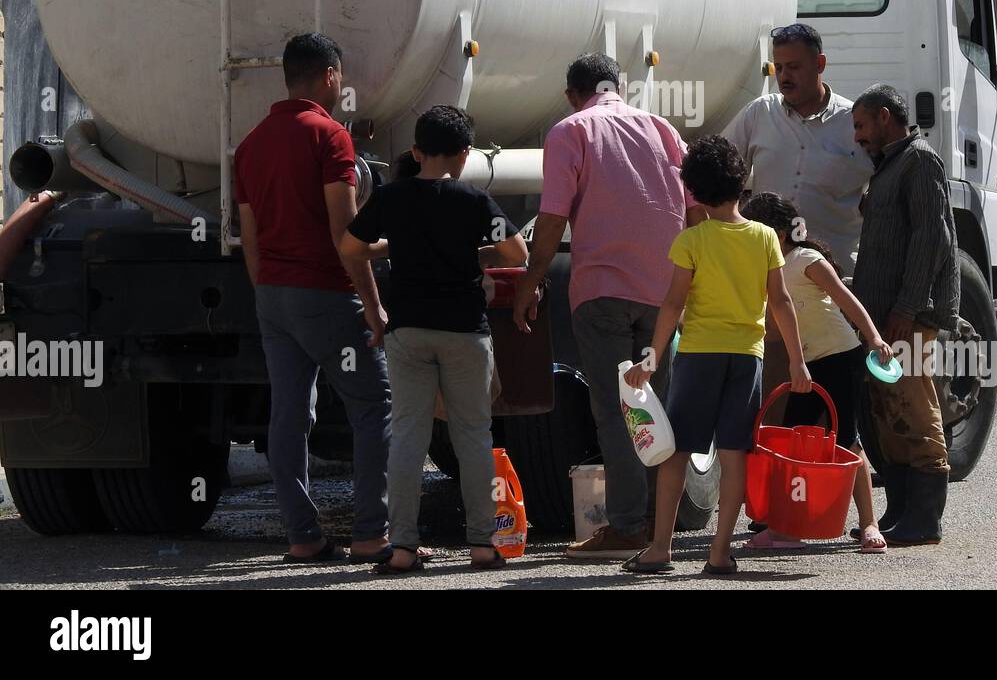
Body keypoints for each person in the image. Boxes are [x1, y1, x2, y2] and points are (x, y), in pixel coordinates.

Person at [512, 53, 704, 561]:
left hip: (602, 293)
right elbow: (695, 206)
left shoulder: (569, 131)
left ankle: (626, 525)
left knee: (619, 413)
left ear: (573, 93)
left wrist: (530, 283)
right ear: (617, 86)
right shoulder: (663, 129)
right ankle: (656, 526)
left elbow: (551, 220)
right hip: (663, 295)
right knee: (654, 412)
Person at [340, 105, 526, 573]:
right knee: (472, 437)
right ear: (465, 155)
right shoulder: (475, 200)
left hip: (408, 330)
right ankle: (483, 546)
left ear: (417, 151)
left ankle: (402, 548)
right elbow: (516, 251)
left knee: (407, 435)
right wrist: (474, 248)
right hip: (465, 331)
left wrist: (390, 246)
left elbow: (349, 246)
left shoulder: (392, 198)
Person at [234, 32, 391, 564]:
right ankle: (371, 533)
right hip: (325, 293)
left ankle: (303, 536)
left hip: (273, 296)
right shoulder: (330, 138)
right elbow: (346, 233)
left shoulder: (251, 144)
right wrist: (372, 304)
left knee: (290, 415)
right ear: (329, 75)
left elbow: (249, 240)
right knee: (375, 404)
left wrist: (269, 293)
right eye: (340, 76)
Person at [622, 135, 812, 576]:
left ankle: (660, 548)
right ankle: (720, 551)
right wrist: (799, 360)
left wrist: (651, 357)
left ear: (695, 191)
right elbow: (781, 302)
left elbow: (672, 304)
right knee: (733, 453)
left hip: (698, 356)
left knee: (678, 452)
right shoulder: (765, 236)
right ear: (741, 180)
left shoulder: (691, 241)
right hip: (747, 356)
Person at [740, 192, 894, 553]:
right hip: (806, 367)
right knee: (796, 442)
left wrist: (873, 337)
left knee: (848, 441)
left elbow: (846, 299)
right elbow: (776, 329)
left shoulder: (807, 259)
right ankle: (787, 528)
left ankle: (869, 525)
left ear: (776, 233)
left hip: (842, 357)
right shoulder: (769, 273)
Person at [850, 84, 957, 546]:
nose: (857, 137)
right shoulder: (890, 165)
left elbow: (930, 239)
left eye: (861, 125)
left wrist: (906, 309)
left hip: (907, 317)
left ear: (886, 117)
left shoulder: (919, 160)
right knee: (887, 415)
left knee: (914, 410)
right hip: (884, 319)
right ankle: (902, 512)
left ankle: (926, 520)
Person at [723, 23, 874, 274]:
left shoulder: (853, 122)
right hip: (767, 272)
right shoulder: (760, 113)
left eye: (793, 67)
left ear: (820, 64)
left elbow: (888, 188)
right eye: (778, 68)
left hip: (835, 276)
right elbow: (718, 176)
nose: (783, 77)